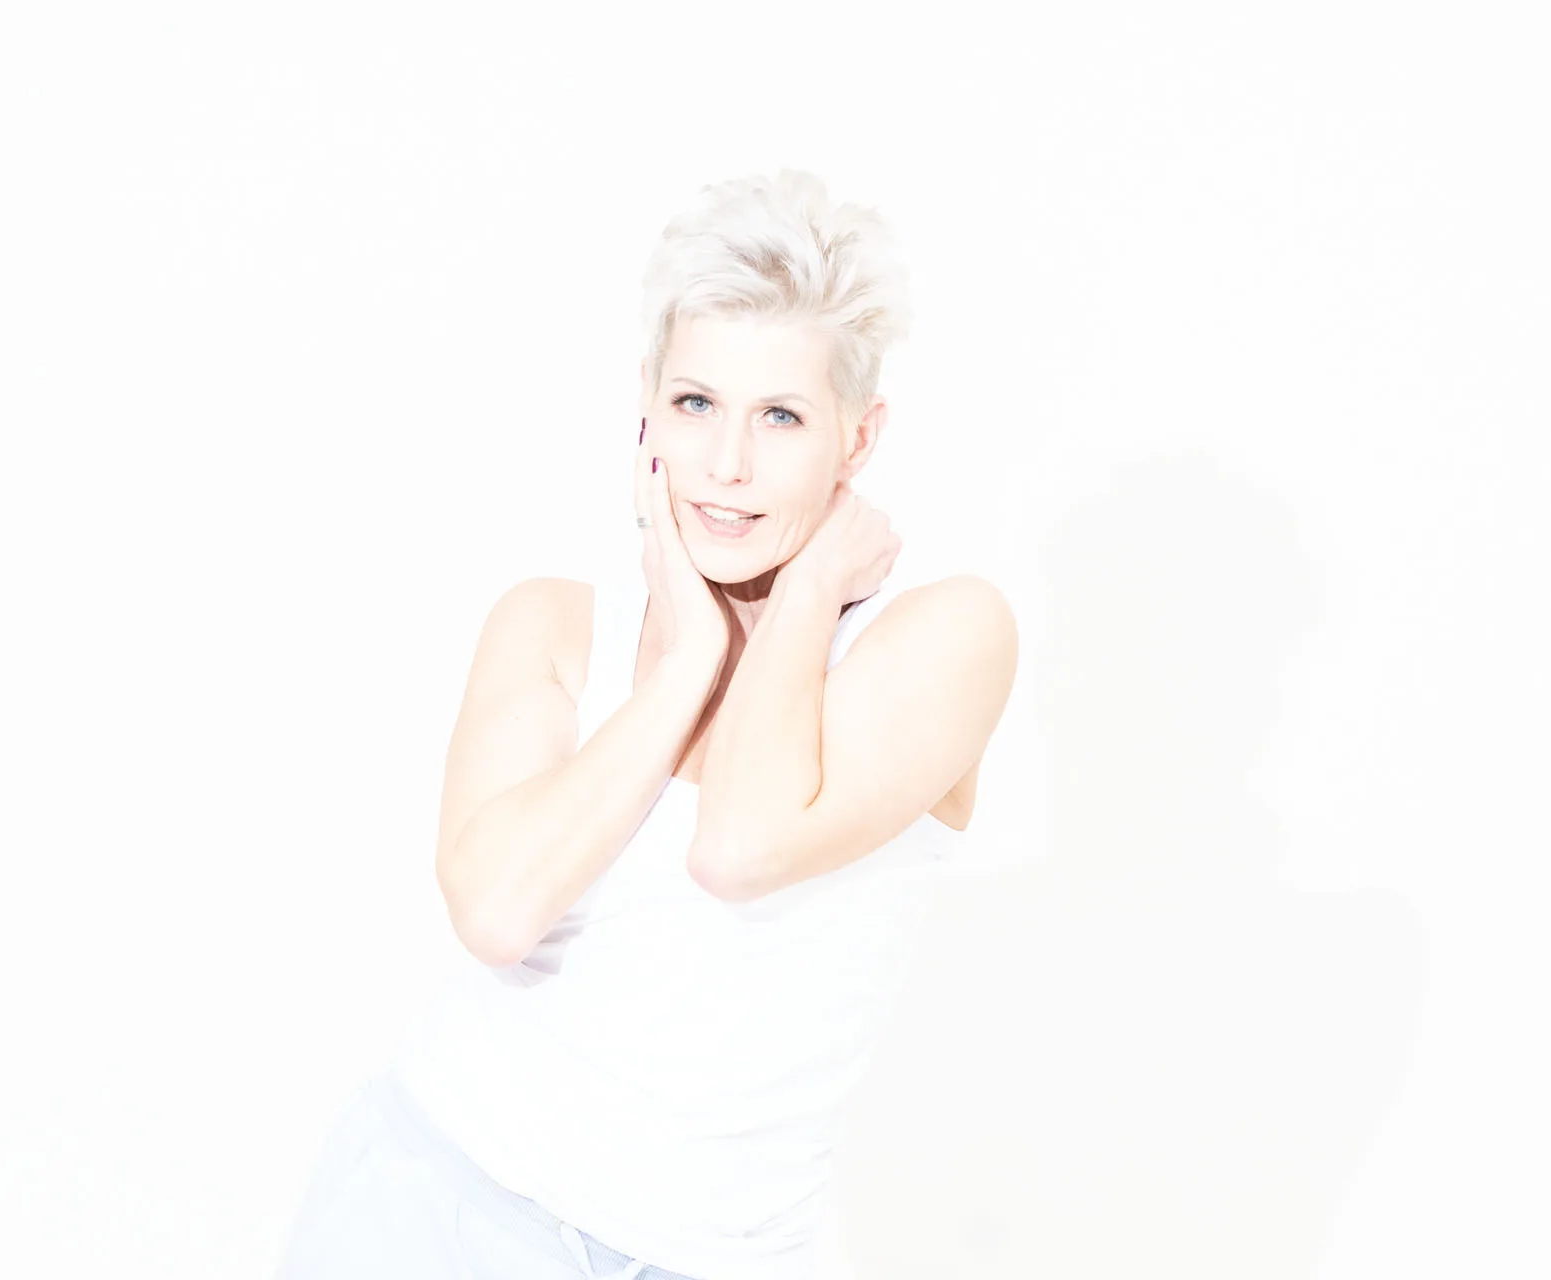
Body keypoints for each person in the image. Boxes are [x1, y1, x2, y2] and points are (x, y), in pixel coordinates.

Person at [275, 169, 1019, 1280]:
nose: (726, 464)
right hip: (427, 1205)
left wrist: (809, 592)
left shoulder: (938, 639)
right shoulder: (555, 624)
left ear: (858, 439)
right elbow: (496, 913)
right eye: (696, 403)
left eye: (781, 417)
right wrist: (686, 662)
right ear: (647, 403)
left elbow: (738, 847)